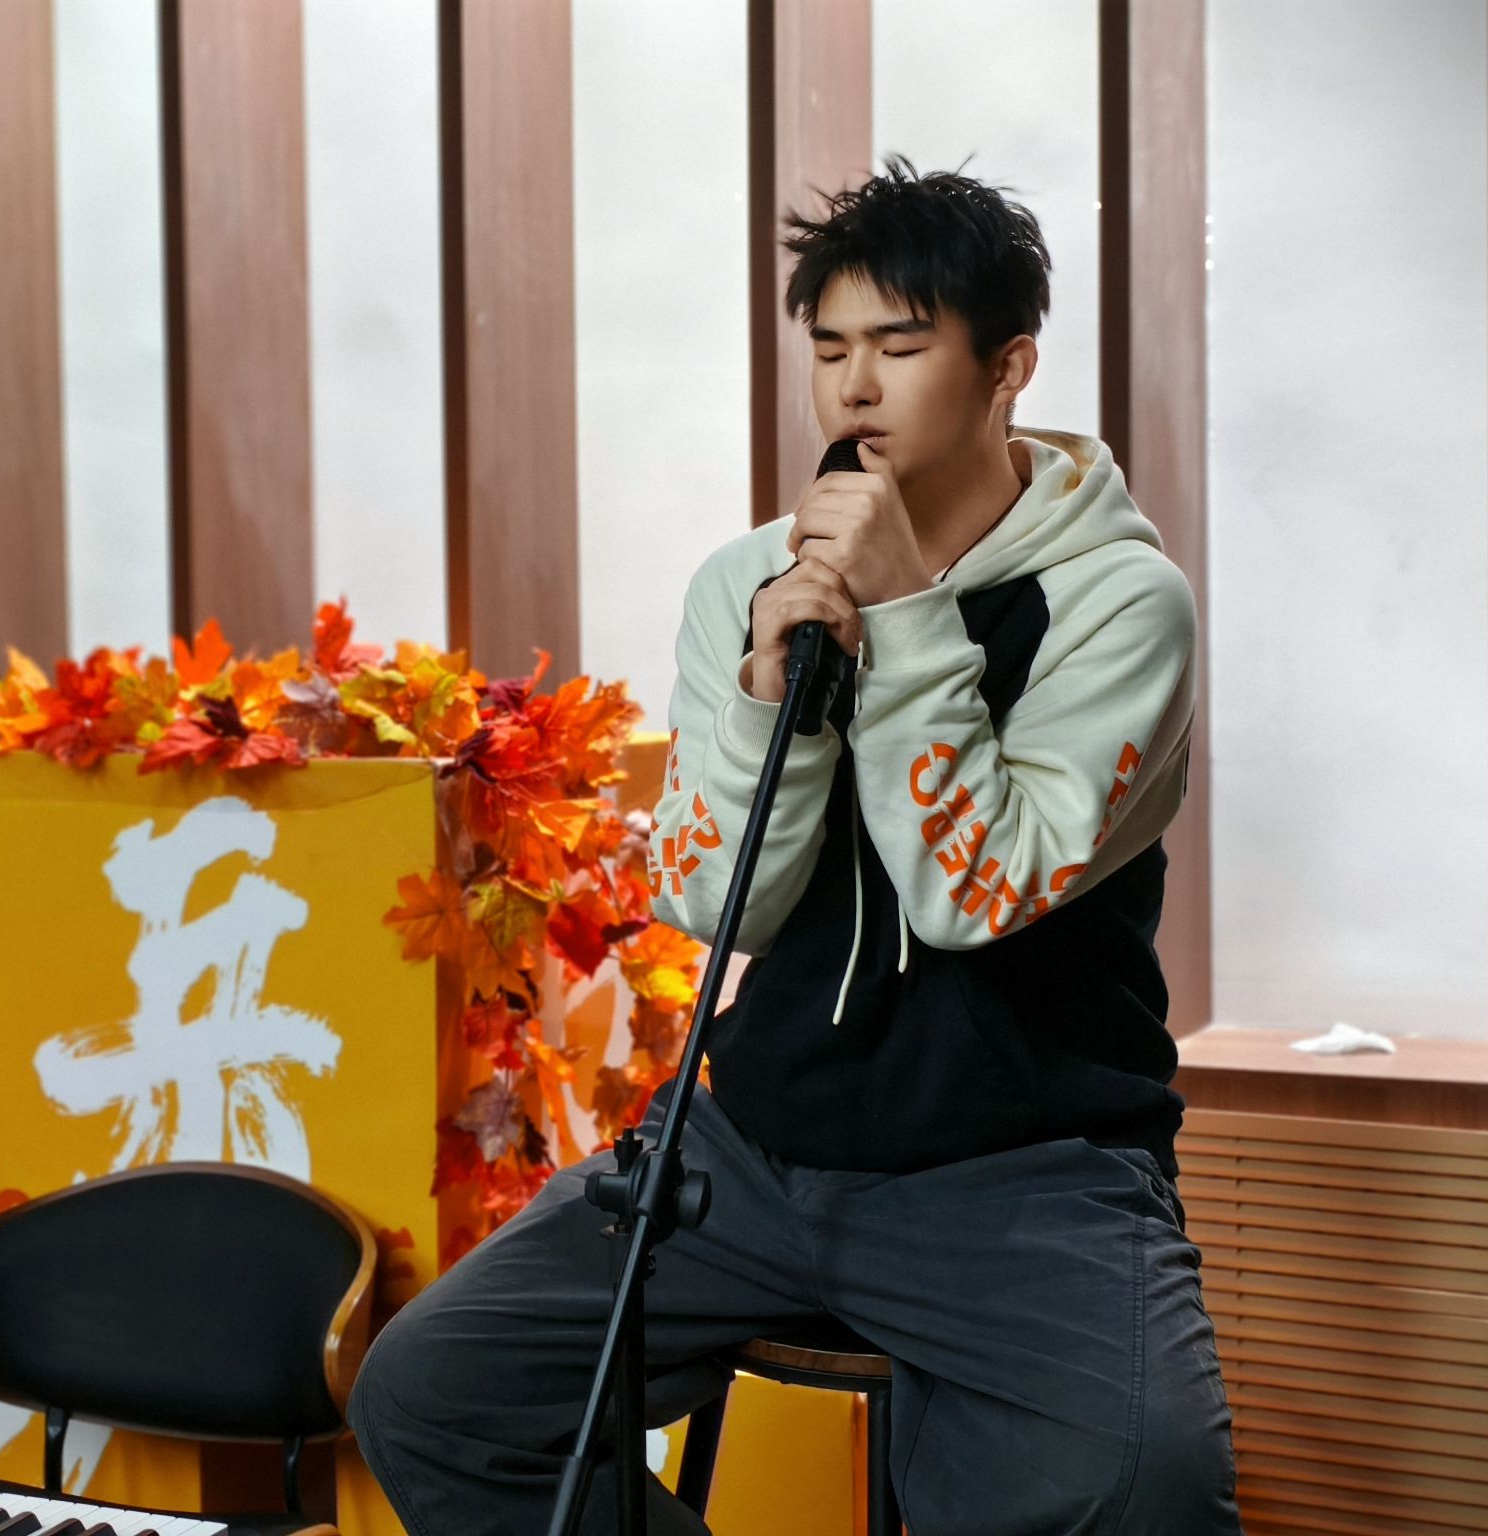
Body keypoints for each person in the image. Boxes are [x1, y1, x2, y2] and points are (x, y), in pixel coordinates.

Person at [347, 153, 1242, 1535]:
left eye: (902, 346)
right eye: (829, 350)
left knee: (1152, 1488)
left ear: (1009, 368)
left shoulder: (1124, 605)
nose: (855, 389)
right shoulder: (749, 580)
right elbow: (721, 904)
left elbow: (972, 894)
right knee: (432, 1395)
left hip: (1024, 1169)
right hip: (756, 1145)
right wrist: (775, 697)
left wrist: (911, 616)